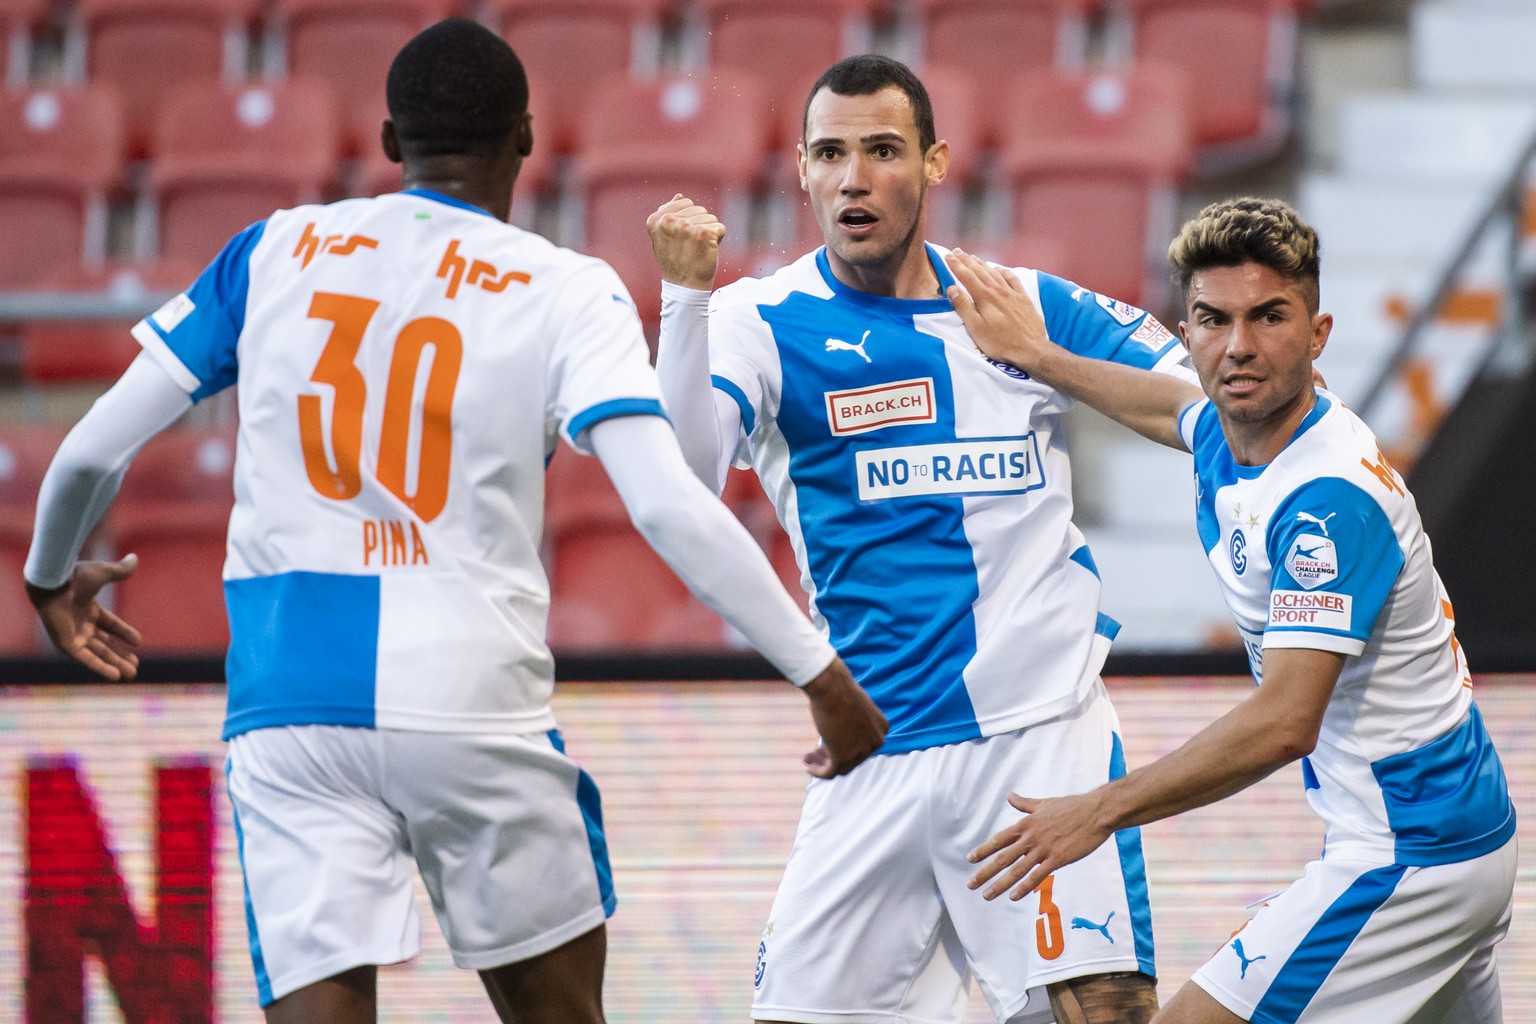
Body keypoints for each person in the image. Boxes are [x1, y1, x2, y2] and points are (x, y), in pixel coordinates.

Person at [23, 19, 887, 1024]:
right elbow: (663, 503)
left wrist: (51, 578)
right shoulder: (567, 288)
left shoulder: (271, 251)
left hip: (291, 694)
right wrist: (822, 675)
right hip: (469, 688)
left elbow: (88, 449)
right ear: (526, 139)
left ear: (391, 143)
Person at [646, 53, 1202, 1024]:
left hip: (1037, 733)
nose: (854, 177)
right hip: (875, 750)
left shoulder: (1020, 303)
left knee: (1100, 1010)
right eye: (830, 153)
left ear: (937, 163)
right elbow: (684, 478)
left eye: (882, 150)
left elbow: (1202, 411)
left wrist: (1045, 360)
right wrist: (682, 303)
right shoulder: (757, 320)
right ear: (803, 170)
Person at [959, 196, 1517, 1024]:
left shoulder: (1326, 504)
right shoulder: (1237, 423)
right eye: (1213, 320)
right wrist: (1039, 357)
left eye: (1269, 317)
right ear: (1186, 332)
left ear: (1318, 335)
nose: (1239, 346)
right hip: (1442, 834)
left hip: (1411, 855)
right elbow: (1163, 408)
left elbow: (1286, 720)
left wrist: (1099, 812)